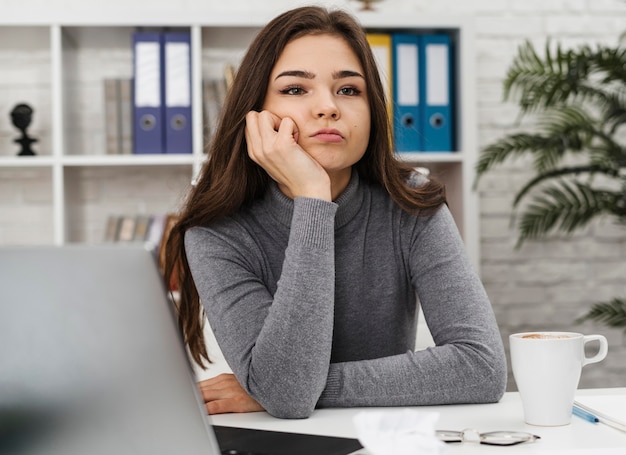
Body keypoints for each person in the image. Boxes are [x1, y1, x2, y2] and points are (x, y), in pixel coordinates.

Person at [164, 5, 507, 420]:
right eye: (295, 90)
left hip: (382, 438)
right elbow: (288, 396)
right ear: (255, 115)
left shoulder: (412, 203)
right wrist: (313, 197)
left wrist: (286, 388)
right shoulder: (216, 232)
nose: (328, 107)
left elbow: (481, 367)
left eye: (349, 90)